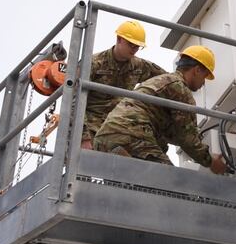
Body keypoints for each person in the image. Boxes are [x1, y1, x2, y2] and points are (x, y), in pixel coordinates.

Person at [93, 44, 225, 173]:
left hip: (104, 138)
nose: (203, 83)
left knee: (128, 189)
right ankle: (122, 151)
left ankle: (121, 155)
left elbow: (171, 134)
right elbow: (187, 138)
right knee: (171, 183)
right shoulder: (180, 90)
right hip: (131, 135)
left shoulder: (161, 80)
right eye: (205, 76)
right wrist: (211, 162)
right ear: (197, 70)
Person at [82, 20, 166, 150]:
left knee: (154, 146)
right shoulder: (94, 63)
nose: (134, 49)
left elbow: (167, 80)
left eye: (138, 46)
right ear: (119, 39)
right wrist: (83, 138)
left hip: (120, 124)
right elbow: (73, 100)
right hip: (92, 124)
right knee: (89, 164)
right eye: (131, 44)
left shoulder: (139, 65)